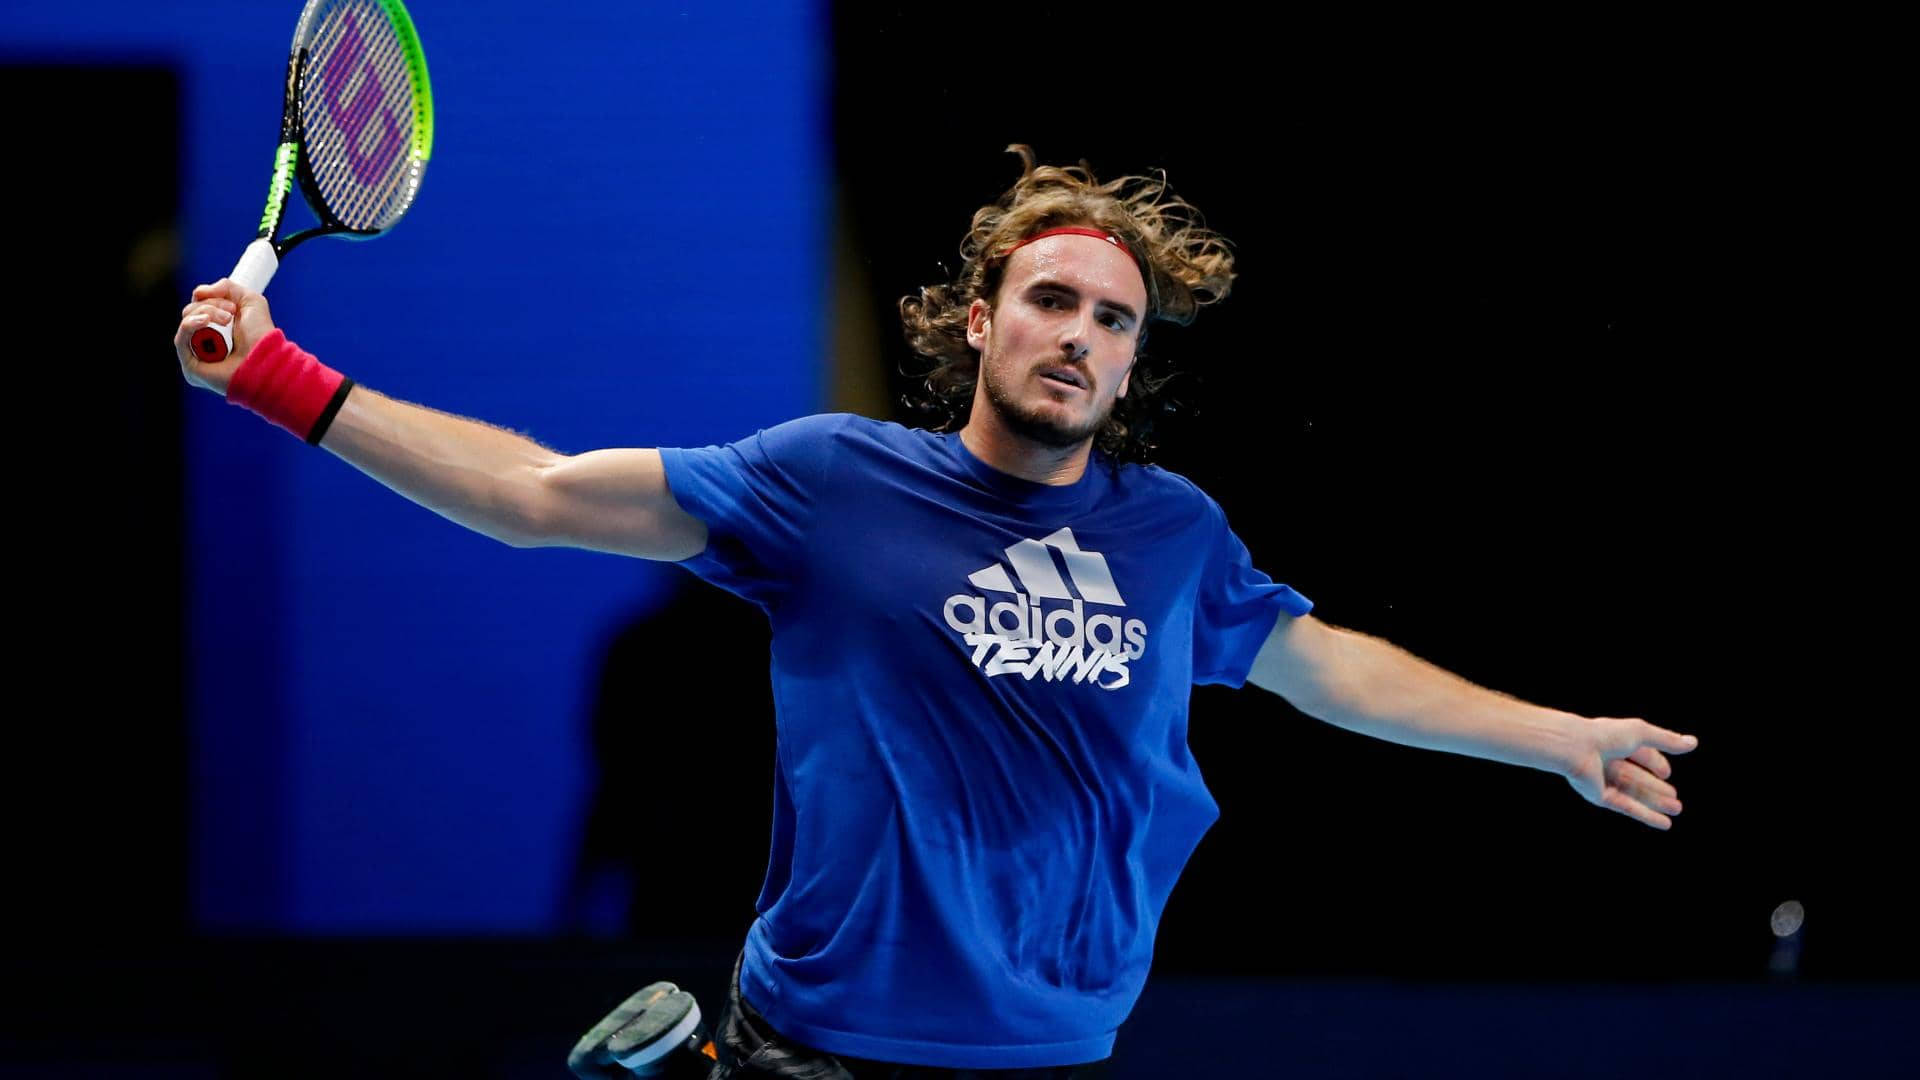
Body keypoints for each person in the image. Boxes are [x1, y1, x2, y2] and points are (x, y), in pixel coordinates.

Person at [174, 146, 1698, 1080]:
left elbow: (1325, 665)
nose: (1083, 334)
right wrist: (281, 379)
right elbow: (535, 496)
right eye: (1053, 299)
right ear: (979, 318)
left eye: (1115, 319)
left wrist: (1553, 736)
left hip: (1054, 1054)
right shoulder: (828, 482)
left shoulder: (1172, 537)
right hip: (823, 1052)